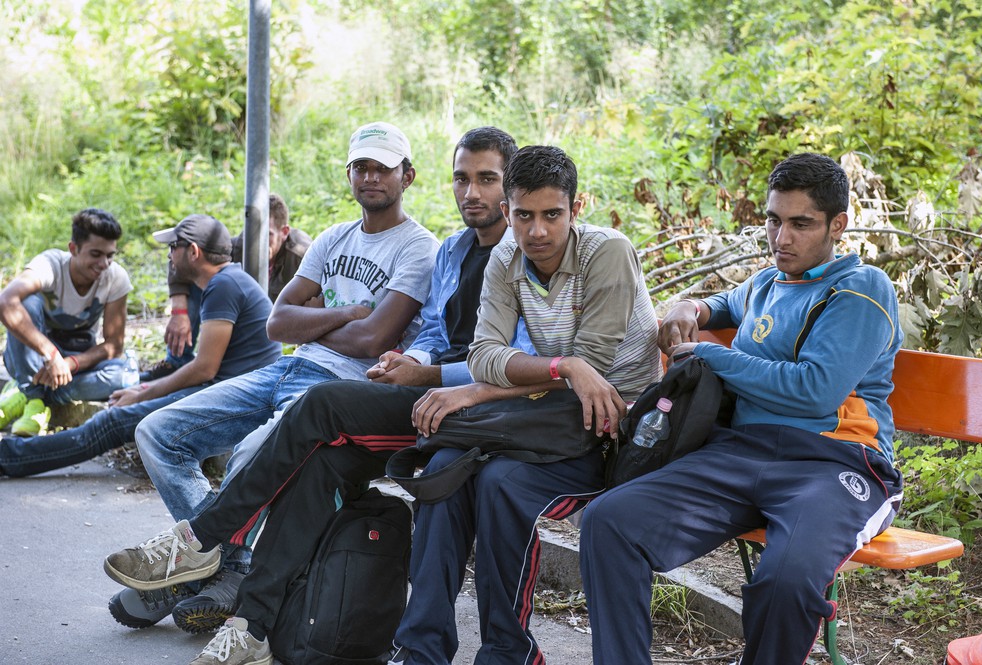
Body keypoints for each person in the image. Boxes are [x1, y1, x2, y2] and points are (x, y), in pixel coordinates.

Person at [103, 127, 531, 662]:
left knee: (321, 404)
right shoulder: (452, 251)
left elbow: (513, 355)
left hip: (476, 405)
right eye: (463, 179)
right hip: (415, 389)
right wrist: (414, 359)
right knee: (318, 463)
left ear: (510, 186)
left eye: (486, 180)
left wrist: (427, 375)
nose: (471, 193)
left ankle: (202, 539)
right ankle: (253, 625)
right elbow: (432, 336)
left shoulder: (519, 254)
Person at [579, 153, 904, 665]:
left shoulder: (860, 289)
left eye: (801, 224)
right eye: (774, 220)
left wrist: (709, 353)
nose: (781, 238)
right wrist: (690, 307)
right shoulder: (769, 281)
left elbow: (815, 391)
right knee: (608, 522)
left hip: (836, 463)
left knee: (787, 580)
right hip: (740, 456)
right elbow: (725, 305)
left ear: (837, 225)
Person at [385, 145, 662, 665]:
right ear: (507, 210)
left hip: (609, 428)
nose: (536, 231)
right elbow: (485, 353)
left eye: (552, 215)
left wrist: (483, 390)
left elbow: (592, 367)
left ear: (576, 210)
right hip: (539, 416)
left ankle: (507, 651)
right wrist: (563, 368)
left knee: (498, 484)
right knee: (443, 470)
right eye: (523, 215)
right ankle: (420, 648)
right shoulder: (506, 259)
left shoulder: (608, 251)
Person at [0, 214, 280, 481]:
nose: (169, 255)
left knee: (110, 423)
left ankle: (7, 457)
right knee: (129, 394)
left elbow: (205, 368)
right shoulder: (227, 280)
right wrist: (143, 389)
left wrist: (143, 394)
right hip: (227, 389)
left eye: (173, 247)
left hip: (236, 399)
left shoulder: (224, 286)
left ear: (193, 251)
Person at [144, 194, 312, 380]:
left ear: (284, 231)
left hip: (273, 326)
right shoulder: (238, 246)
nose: (259, 243)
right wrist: (179, 312)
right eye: (254, 234)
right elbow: (183, 261)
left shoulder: (301, 255)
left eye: (268, 235)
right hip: (234, 315)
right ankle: (176, 362)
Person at [0, 208, 131, 407]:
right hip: (32, 356)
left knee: (125, 376)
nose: (104, 263)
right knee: (26, 303)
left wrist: (70, 364)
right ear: (73, 249)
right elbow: (5, 302)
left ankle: (31, 395)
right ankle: (33, 392)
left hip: (75, 360)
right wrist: (51, 354)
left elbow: (114, 345)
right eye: (96, 254)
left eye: (110, 255)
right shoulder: (50, 265)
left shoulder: (115, 277)